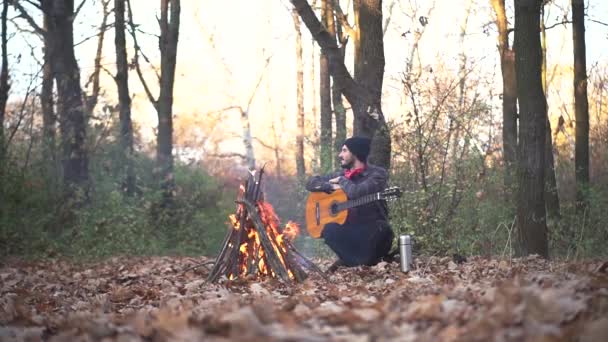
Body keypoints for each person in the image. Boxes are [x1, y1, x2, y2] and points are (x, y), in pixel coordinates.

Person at [306, 136, 394, 271]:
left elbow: (356, 192)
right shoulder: (343, 174)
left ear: (356, 153)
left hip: (372, 230)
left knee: (384, 230)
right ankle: (355, 262)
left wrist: (341, 181)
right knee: (329, 229)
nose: (340, 155)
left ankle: (351, 262)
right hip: (350, 231)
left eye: (344, 151)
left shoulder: (377, 174)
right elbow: (311, 183)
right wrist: (329, 187)